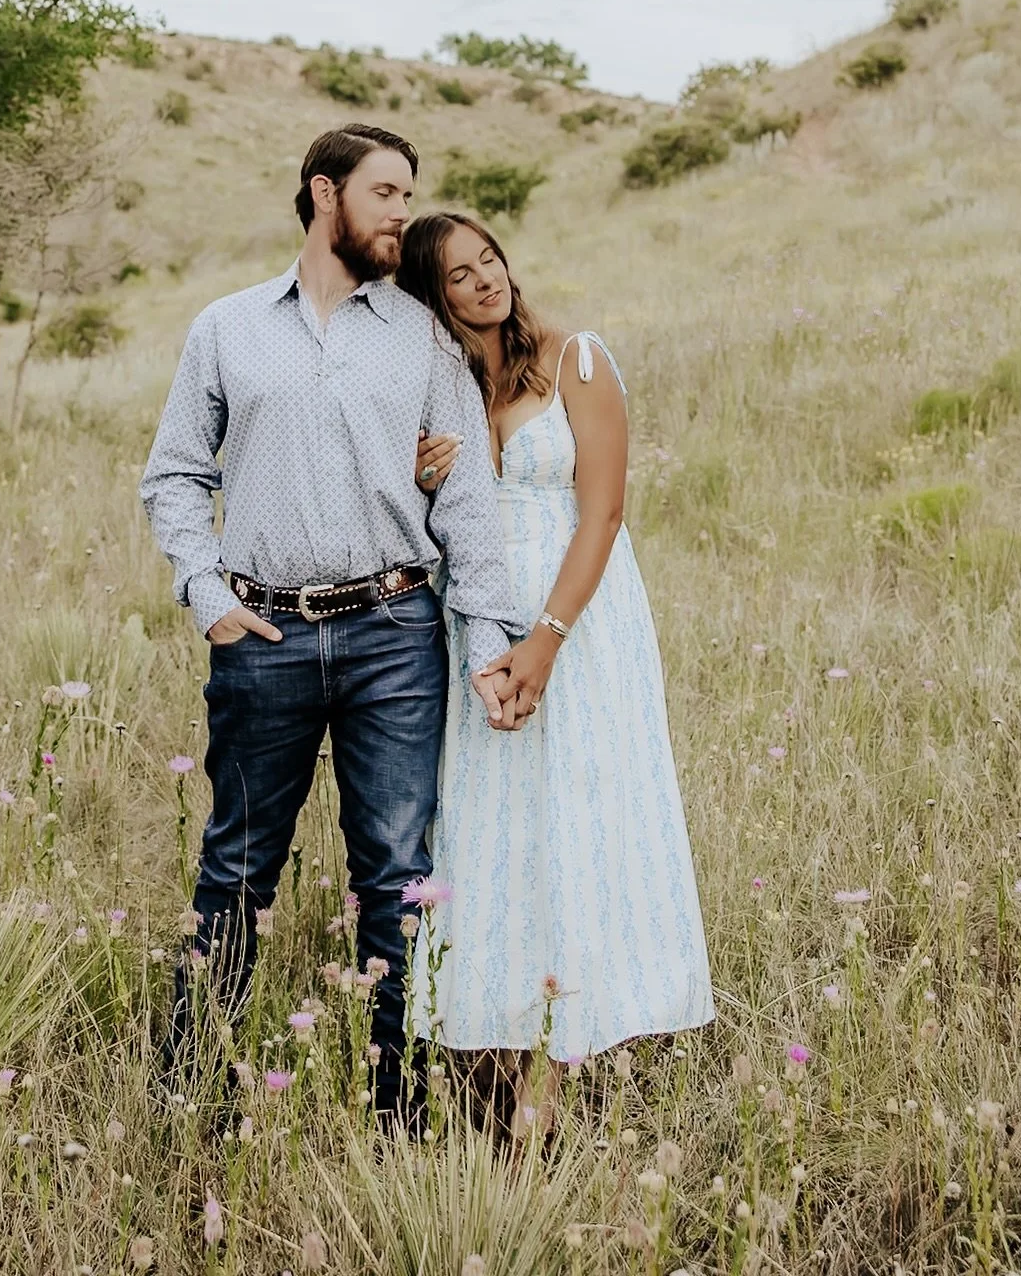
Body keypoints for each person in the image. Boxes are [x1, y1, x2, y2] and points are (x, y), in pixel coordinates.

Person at [139, 125, 522, 1114]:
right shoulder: (226, 328)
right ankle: (192, 1099)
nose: (405, 214)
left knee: (399, 874)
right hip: (261, 635)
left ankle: (397, 1105)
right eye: (387, 193)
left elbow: (468, 498)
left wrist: (489, 638)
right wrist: (207, 596)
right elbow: (176, 472)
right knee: (235, 869)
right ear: (325, 194)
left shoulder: (423, 337)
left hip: (394, 633)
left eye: (408, 194)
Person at [397, 212, 713, 1123]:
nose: (485, 281)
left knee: (576, 821)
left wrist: (546, 639)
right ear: (434, 294)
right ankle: (485, 1039)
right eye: (459, 275)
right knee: (489, 830)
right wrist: (423, 482)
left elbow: (604, 514)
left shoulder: (576, 359)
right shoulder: (442, 391)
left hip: (579, 623)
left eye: (488, 259)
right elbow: (435, 532)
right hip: (480, 625)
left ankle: (558, 1062)